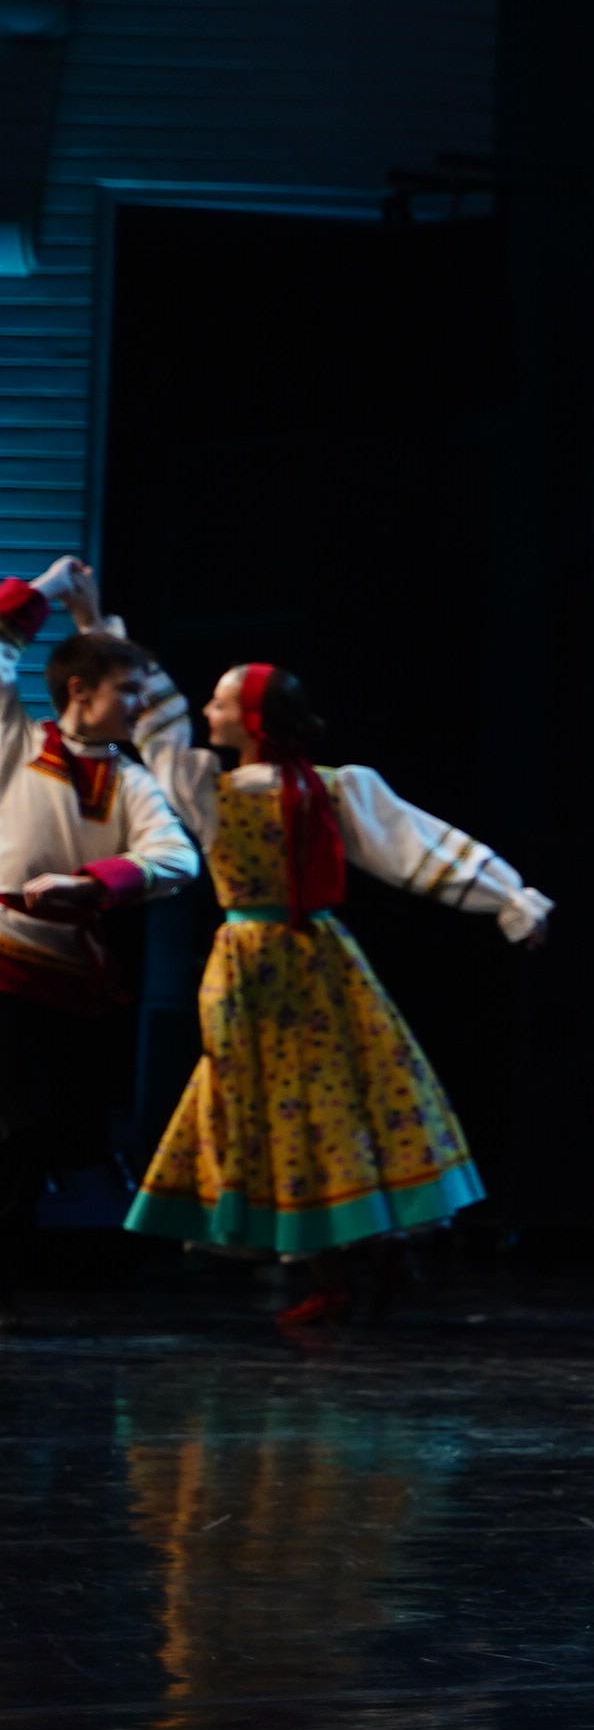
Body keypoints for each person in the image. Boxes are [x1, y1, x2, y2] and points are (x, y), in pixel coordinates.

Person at [124, 650, 550, 1327]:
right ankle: (361, 1258)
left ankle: (347, 1267)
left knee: (285, 1108)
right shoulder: (313, 788)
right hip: (307, 961)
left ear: (252, 721)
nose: (207, 711)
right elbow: (417, 846)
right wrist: (510, 898)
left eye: (220, 703)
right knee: (327, 1105)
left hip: (262, 966)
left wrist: (102, 631)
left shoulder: (229, 789)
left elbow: (160, 736)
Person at [0, 558, 197, 1312]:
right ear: (80, 691)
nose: (141, 702)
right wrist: (51, 590)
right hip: (5, 968)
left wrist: (93, 883)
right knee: (22, 1124)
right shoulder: (16, 743)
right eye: (129, 690)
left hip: (65, 985)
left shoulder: (131, 780)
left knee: (49, 1134)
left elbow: (175, 856)